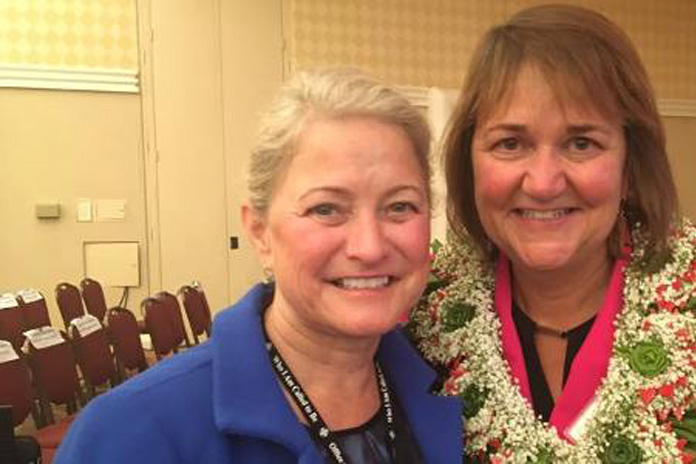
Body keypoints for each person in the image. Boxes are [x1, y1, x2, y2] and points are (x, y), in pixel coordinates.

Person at [55, 69, 463, 463]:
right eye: (326, 209)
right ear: (260, 232)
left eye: (399, 207)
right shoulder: (132, 434)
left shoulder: (455, 386)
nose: (370, 247)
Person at [409, 4, 696, 463]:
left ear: (629, 165)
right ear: (470, 163)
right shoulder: (417, 322)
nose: (543, 183)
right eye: (510, 143)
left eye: (581, 143)